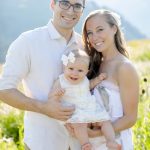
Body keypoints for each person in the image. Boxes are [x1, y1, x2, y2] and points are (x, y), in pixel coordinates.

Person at [0, 0, 86, 149]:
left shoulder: (84, 44)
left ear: (82, 10)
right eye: (65, 3)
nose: (71, 11)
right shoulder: (27, 42)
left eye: (77, 5)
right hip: (43, 143)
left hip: (81, 143)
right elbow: (4, 90)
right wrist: (43, 107)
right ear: (52, 4)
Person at [67, 9, 139, 150]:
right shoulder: (93, 64)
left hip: (114, 142)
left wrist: (96, 134)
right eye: (90, 33)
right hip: (90, 144)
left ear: (114, 29)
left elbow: (130, 118)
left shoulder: (124, 68)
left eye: (100, 30)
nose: (94, 37)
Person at [49, 49, 121, 150]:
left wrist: (98, 79)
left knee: (105, 121)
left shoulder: (84, 80)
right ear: (64, 67)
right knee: (79, 126)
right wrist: (56, 94)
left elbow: (89, 85)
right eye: (71, 68)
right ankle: (85, 144)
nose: (75, 73)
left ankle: (111, 141)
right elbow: (51, 97)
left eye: (80, 70)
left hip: (91, 107)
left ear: (87, 72)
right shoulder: (61, 81)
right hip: (75, 111)